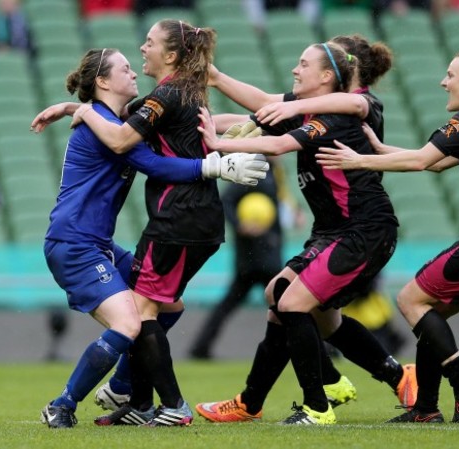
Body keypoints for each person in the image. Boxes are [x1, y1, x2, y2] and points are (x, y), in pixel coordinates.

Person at [33, 47, 268, 429]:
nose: (133, 72)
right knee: (129, 324)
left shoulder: (111, 119)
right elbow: (152, 163)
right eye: (124, 69)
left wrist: (262, 118)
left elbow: (184, 122)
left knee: (168, 309)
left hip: (98, 245)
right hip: (74, 243)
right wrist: (213, 166)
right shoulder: (104, 128)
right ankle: (62, 404)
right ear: (103, 81)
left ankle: (124, 382)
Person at [195, 34, 417, 425]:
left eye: (304, 64)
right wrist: (207, 98)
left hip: (362, 230)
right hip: (333, 231)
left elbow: (279, 143)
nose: (295, 69)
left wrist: (218, 145)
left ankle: (316, 407)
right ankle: (394, 376)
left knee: (292, 304)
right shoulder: (311, 109)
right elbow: (258, 110)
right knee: (283, 296)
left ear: (329, 75)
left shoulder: (344, 112)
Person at [317, 49, 459, 423]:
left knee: (409, 299)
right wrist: (380, 149)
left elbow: (421, 160)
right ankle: (425, 410)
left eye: (450, 74)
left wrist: (358, 161)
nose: (442, 82)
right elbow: (434, 164)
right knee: (430, 314)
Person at [189, 154, 284, 360]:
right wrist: (240, 225)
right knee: (289, 305)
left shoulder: (274, 173)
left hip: (268, 254)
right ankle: (321, 349)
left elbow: (273, 212)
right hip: (252, 257)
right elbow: (227, 200)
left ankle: (200, 347)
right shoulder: (255, 170)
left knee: (285, 305)